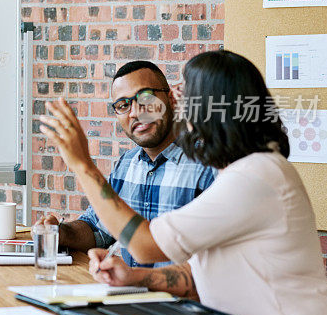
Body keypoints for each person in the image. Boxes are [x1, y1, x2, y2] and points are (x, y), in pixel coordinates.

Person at [40, 50, 327, 315]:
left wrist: (83, 165)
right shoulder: (243, 172)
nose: (175, 101)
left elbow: (145, 245)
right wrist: (133, 279)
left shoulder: (255, 178)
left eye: (185, 92)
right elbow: (198, 278)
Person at [34, 61, 215, 267]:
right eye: (123, 105)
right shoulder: (127, 163)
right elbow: (99, 228)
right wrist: (59, 232)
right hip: (129, 292)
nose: (135, 112)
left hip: (180, 297)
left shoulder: (208, 164)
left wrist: (82, 164)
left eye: (146, 98)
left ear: (171, 99)